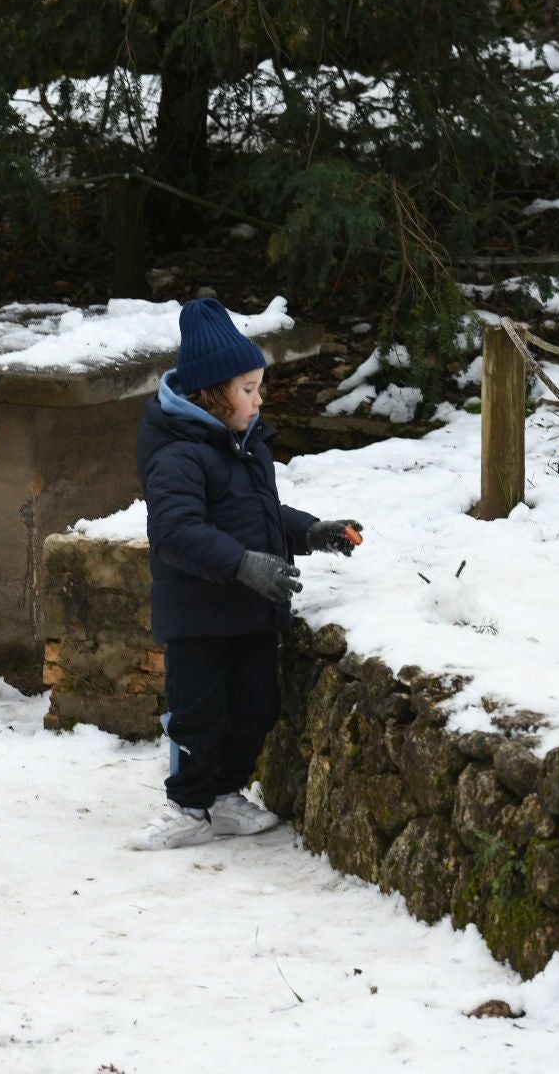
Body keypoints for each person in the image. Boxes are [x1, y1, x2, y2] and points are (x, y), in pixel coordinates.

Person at [131, 297, 362, 850]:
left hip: (251, 611)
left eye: (259, 387)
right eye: (248, 390)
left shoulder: (245, 446)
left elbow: (261, 515)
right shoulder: (178, 456)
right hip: (200, 616)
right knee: (198, 714)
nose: (259, 400)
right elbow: (175, 532)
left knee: (256, 707)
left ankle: (226, 796)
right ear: (211, 394)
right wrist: (241, 564)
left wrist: (309, 533)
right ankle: (188, 804)